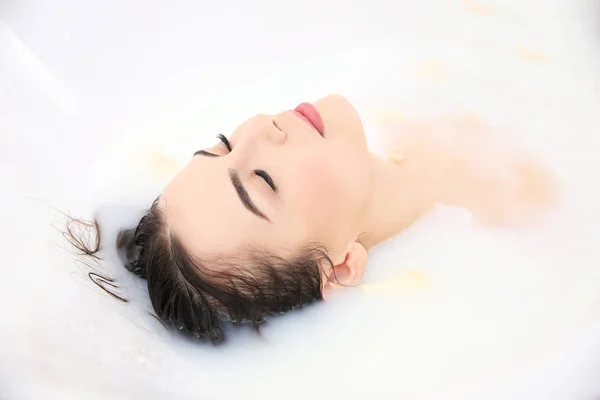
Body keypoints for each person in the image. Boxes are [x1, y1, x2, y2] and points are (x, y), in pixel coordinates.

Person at [68, 94, 556, 343]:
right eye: (264, 180)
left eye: (225, 144)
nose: (263, 126)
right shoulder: (520, 206)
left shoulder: (427, 128)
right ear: (341, 266)